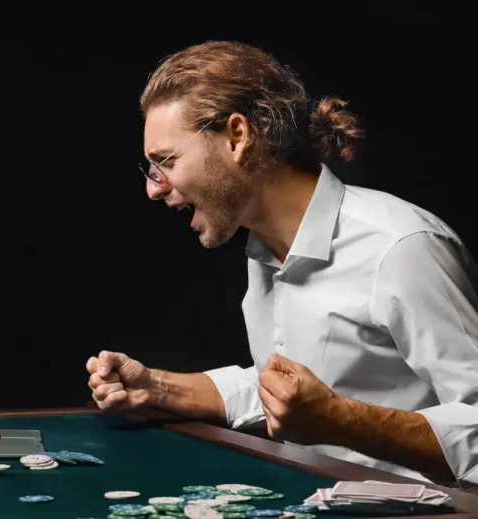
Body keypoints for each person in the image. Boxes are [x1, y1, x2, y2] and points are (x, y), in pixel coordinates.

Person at [86, 40, 478, 486]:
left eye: (167, 162)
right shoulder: (262, 247)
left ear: (237, 136)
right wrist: (157, 387)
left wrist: (339, 421)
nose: (154, 189)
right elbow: (288, 394)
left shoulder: (401, 247)